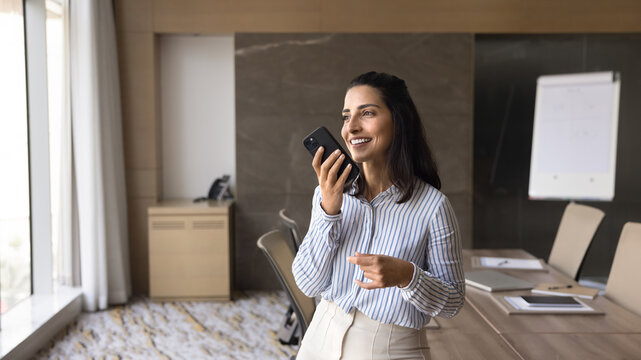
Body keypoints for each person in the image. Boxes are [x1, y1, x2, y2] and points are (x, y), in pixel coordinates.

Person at [292, 71, 465, 360]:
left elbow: (453, 302)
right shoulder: (328, 194)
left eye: (367, 113)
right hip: (319, 340)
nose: (352, 128)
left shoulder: (433, 207)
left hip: (390, 348)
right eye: (346, 117)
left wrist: (408, 276)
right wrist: (329, 211)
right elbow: (309, 284)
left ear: (399, 121)